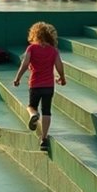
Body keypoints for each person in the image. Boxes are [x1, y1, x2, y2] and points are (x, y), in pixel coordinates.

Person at [12, 22, 67, 151]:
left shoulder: (31, 49)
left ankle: (33, 115)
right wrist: (62, 78)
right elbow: (59, 65)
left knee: (32, 106)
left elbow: (25, 64)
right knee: (46, 111)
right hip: (49, 86)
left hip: (35, 84)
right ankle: (44, 138)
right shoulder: (54, 51)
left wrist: (17, 78)